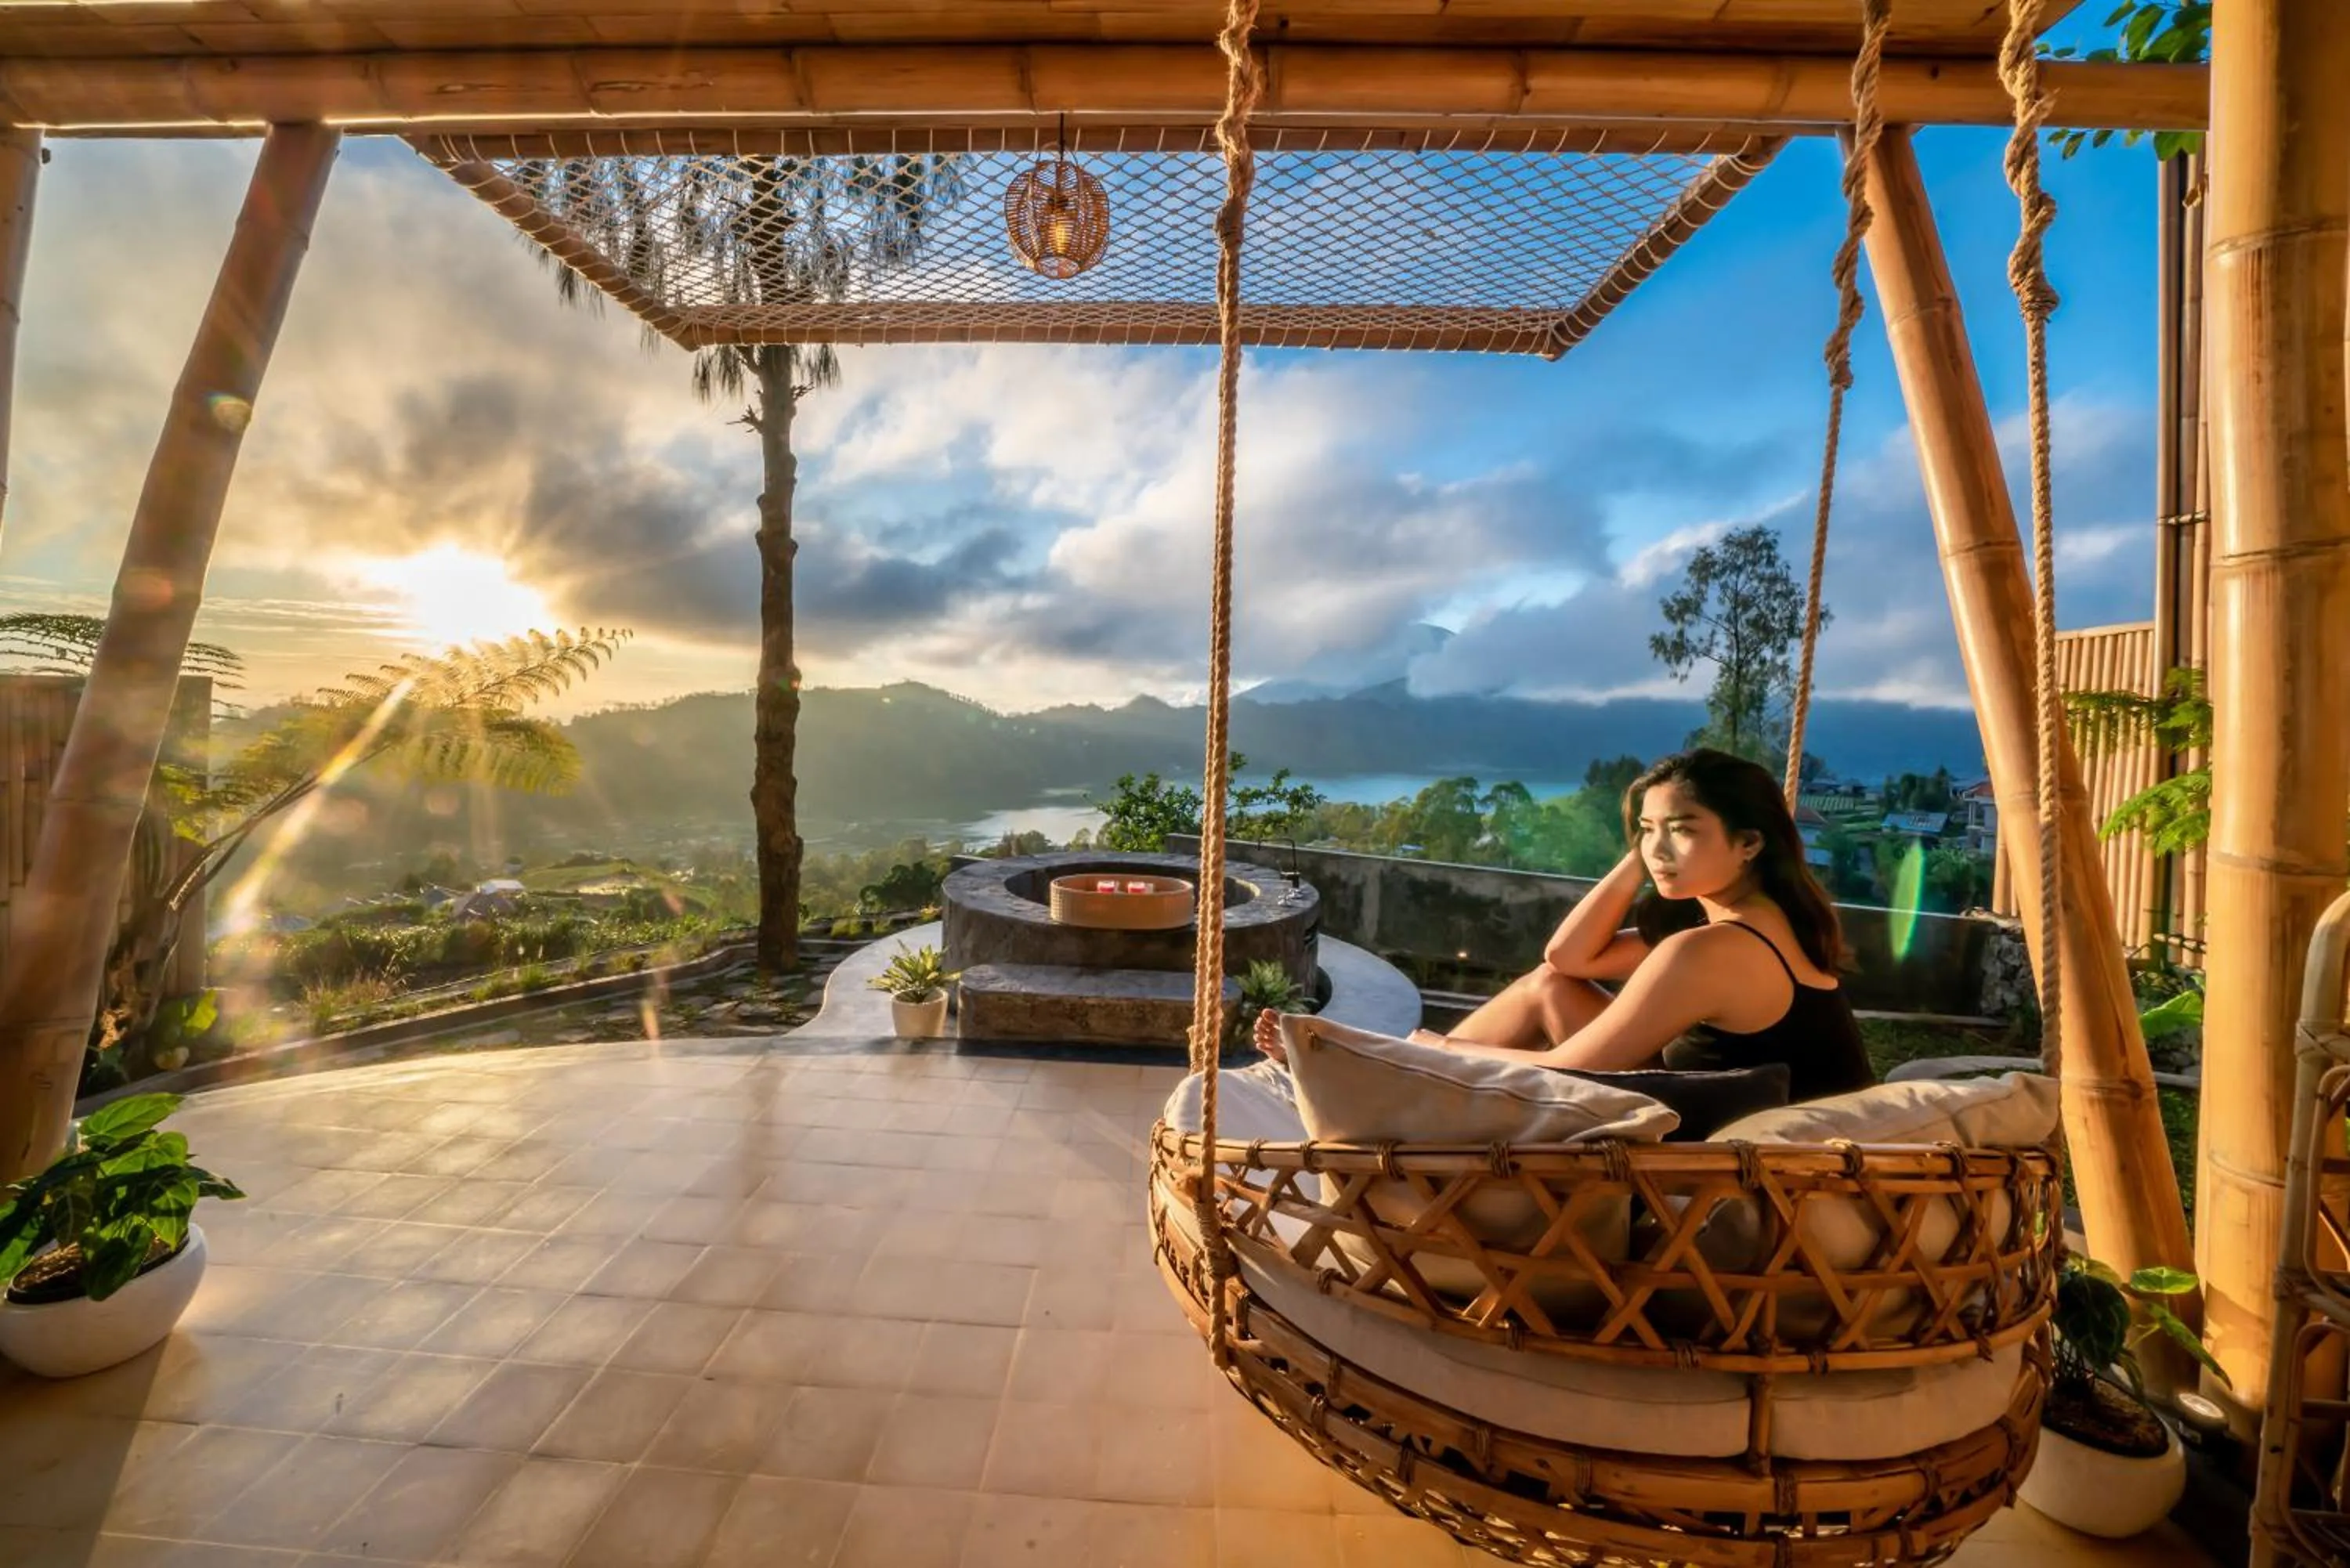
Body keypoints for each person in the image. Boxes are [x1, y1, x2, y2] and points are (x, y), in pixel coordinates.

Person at [1255, 748, 1875, 1104]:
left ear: (1748, 844)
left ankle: (1382, 1080)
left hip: (1725, 1156)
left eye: (1684, 831)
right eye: (1648, 830)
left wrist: (1427, 1047)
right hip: (1716, 1110)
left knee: (1446, 1055)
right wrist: (1647, 854)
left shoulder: (1713, 950)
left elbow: (1570, 1070)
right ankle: (1386, 1080)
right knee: (1545, 987)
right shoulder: (1761, 924)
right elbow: (1567, 961)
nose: (1659, 849)